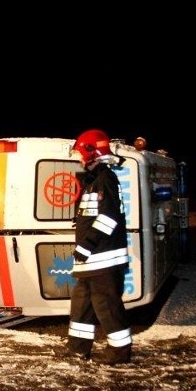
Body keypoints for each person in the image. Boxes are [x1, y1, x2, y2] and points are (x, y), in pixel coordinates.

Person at [66, 129, 132, 365]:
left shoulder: (106, 180)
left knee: (108, 308)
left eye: (80, 154)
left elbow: (109, 218)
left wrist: (86, 245)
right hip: (90, 262)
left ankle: (120, 355)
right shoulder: (93, 182)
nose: (79, 159)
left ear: (92, 152)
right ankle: (77, 349)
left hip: (103, 260)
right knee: (82, 307)